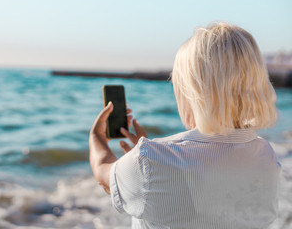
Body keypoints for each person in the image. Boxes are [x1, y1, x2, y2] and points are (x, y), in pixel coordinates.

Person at [89, 22, 281, 229]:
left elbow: (103, 174)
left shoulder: (151, 161)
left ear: (193, 93)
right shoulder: (266, 157)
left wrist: (96, 137)